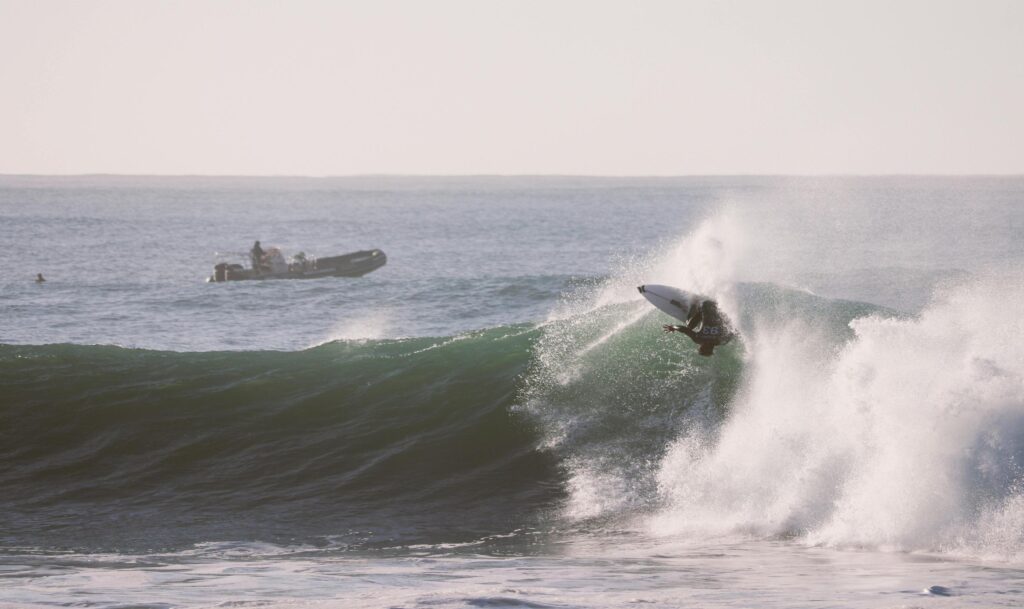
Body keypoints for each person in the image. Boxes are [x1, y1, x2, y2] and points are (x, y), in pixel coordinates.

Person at [663, 299, 734, 356]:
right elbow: (683, 329)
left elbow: (732, 331)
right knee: (689, 325)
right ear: (704, 347)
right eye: (701, 347)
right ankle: (692, 304)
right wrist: (673, 327)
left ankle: (700, 314)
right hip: (704, 305)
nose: (700, 345)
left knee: (723, 322)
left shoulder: (720, 341)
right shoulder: (699, 339)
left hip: (717, 308)